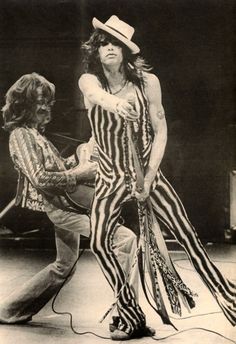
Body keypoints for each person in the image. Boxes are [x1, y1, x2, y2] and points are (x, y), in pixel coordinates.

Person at [79, 15, 236, 340]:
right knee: (97, 243)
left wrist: (149, 177)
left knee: (188, 239)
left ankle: (231, 300)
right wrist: (117, 105)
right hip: (110, 179)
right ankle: (131, 314)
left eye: (116, 44)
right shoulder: (89, 81)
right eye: (104, 43)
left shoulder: (148, 82)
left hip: (150, 177)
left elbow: (161, 129)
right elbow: (96, 96)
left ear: (125, 51)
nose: (109, 48)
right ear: (96, 50)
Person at [0, 72, 138, 325]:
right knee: (126, 240)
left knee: (65, 265)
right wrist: (81, 172)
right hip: (63, 209)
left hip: (65, 204)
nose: (46, 107)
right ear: (24, 103)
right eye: (40, 101)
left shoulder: (36, 135)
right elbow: (41, 179)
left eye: (48, 101)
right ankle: (127, 315)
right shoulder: (21, 135)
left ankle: (10, 310)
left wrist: (83, 154)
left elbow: (61, 168)